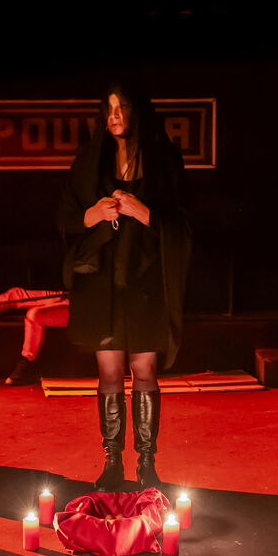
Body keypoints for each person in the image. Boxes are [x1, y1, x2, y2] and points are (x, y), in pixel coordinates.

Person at [58, 78, 191, 490]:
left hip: (145, 281)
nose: (115, 116)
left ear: (138, 110)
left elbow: (184, 224)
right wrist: (94, 214)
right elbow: (66, 220)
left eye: (123, 107)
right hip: (102, 284)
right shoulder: (89, 162)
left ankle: (147, 463)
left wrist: (143, 212)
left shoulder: (164, 161)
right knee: (110, 372)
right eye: (110, 108)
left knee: (145, 369)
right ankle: (112, 461)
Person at [0, 287, 71, 385]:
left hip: (77, 308)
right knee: (16, 294)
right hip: (67, 296)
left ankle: (28, 361)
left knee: (34, 314)